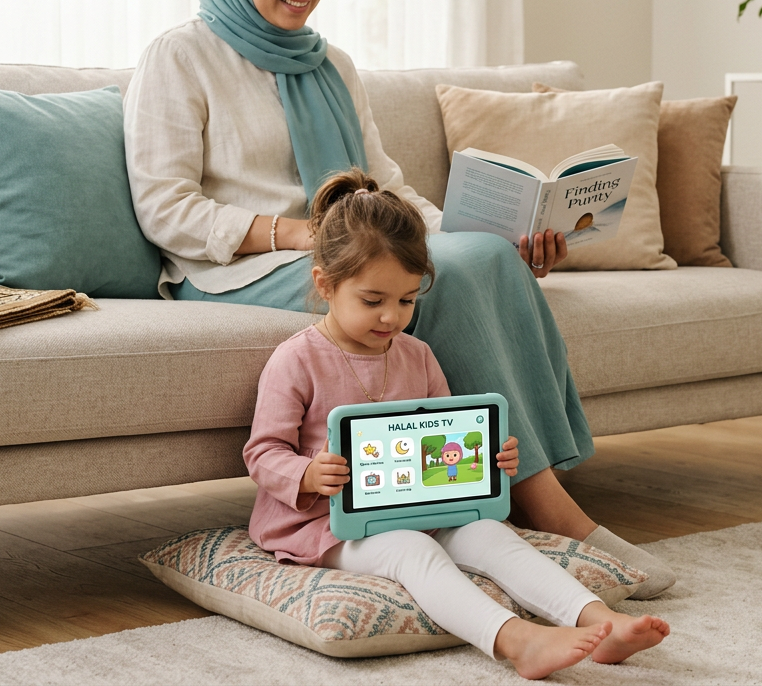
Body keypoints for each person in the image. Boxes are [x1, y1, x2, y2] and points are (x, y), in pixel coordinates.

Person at [123, 0, 674, 596]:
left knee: (475, 259)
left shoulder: (333, 65)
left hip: (343, 247)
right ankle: (552, 514)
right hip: (233, 266)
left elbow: (389, 190)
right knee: (428, 282)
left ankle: (522, 496)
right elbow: (166, 207)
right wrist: (293, 234)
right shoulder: (180, 56)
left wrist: (490, 235)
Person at [243, 170, 669, 679]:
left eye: (406, 300)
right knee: (412, 550)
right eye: (372, 301)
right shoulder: (296, 360)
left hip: (419, 504)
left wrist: (488, 458)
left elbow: (446, 436)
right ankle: (516, 640)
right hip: (325, 524)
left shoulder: (417, 355)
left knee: (494, 532)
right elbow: (262, 452)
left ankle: (601, 621)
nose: (391, 318)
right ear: (325, 285)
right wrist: (309, 475)